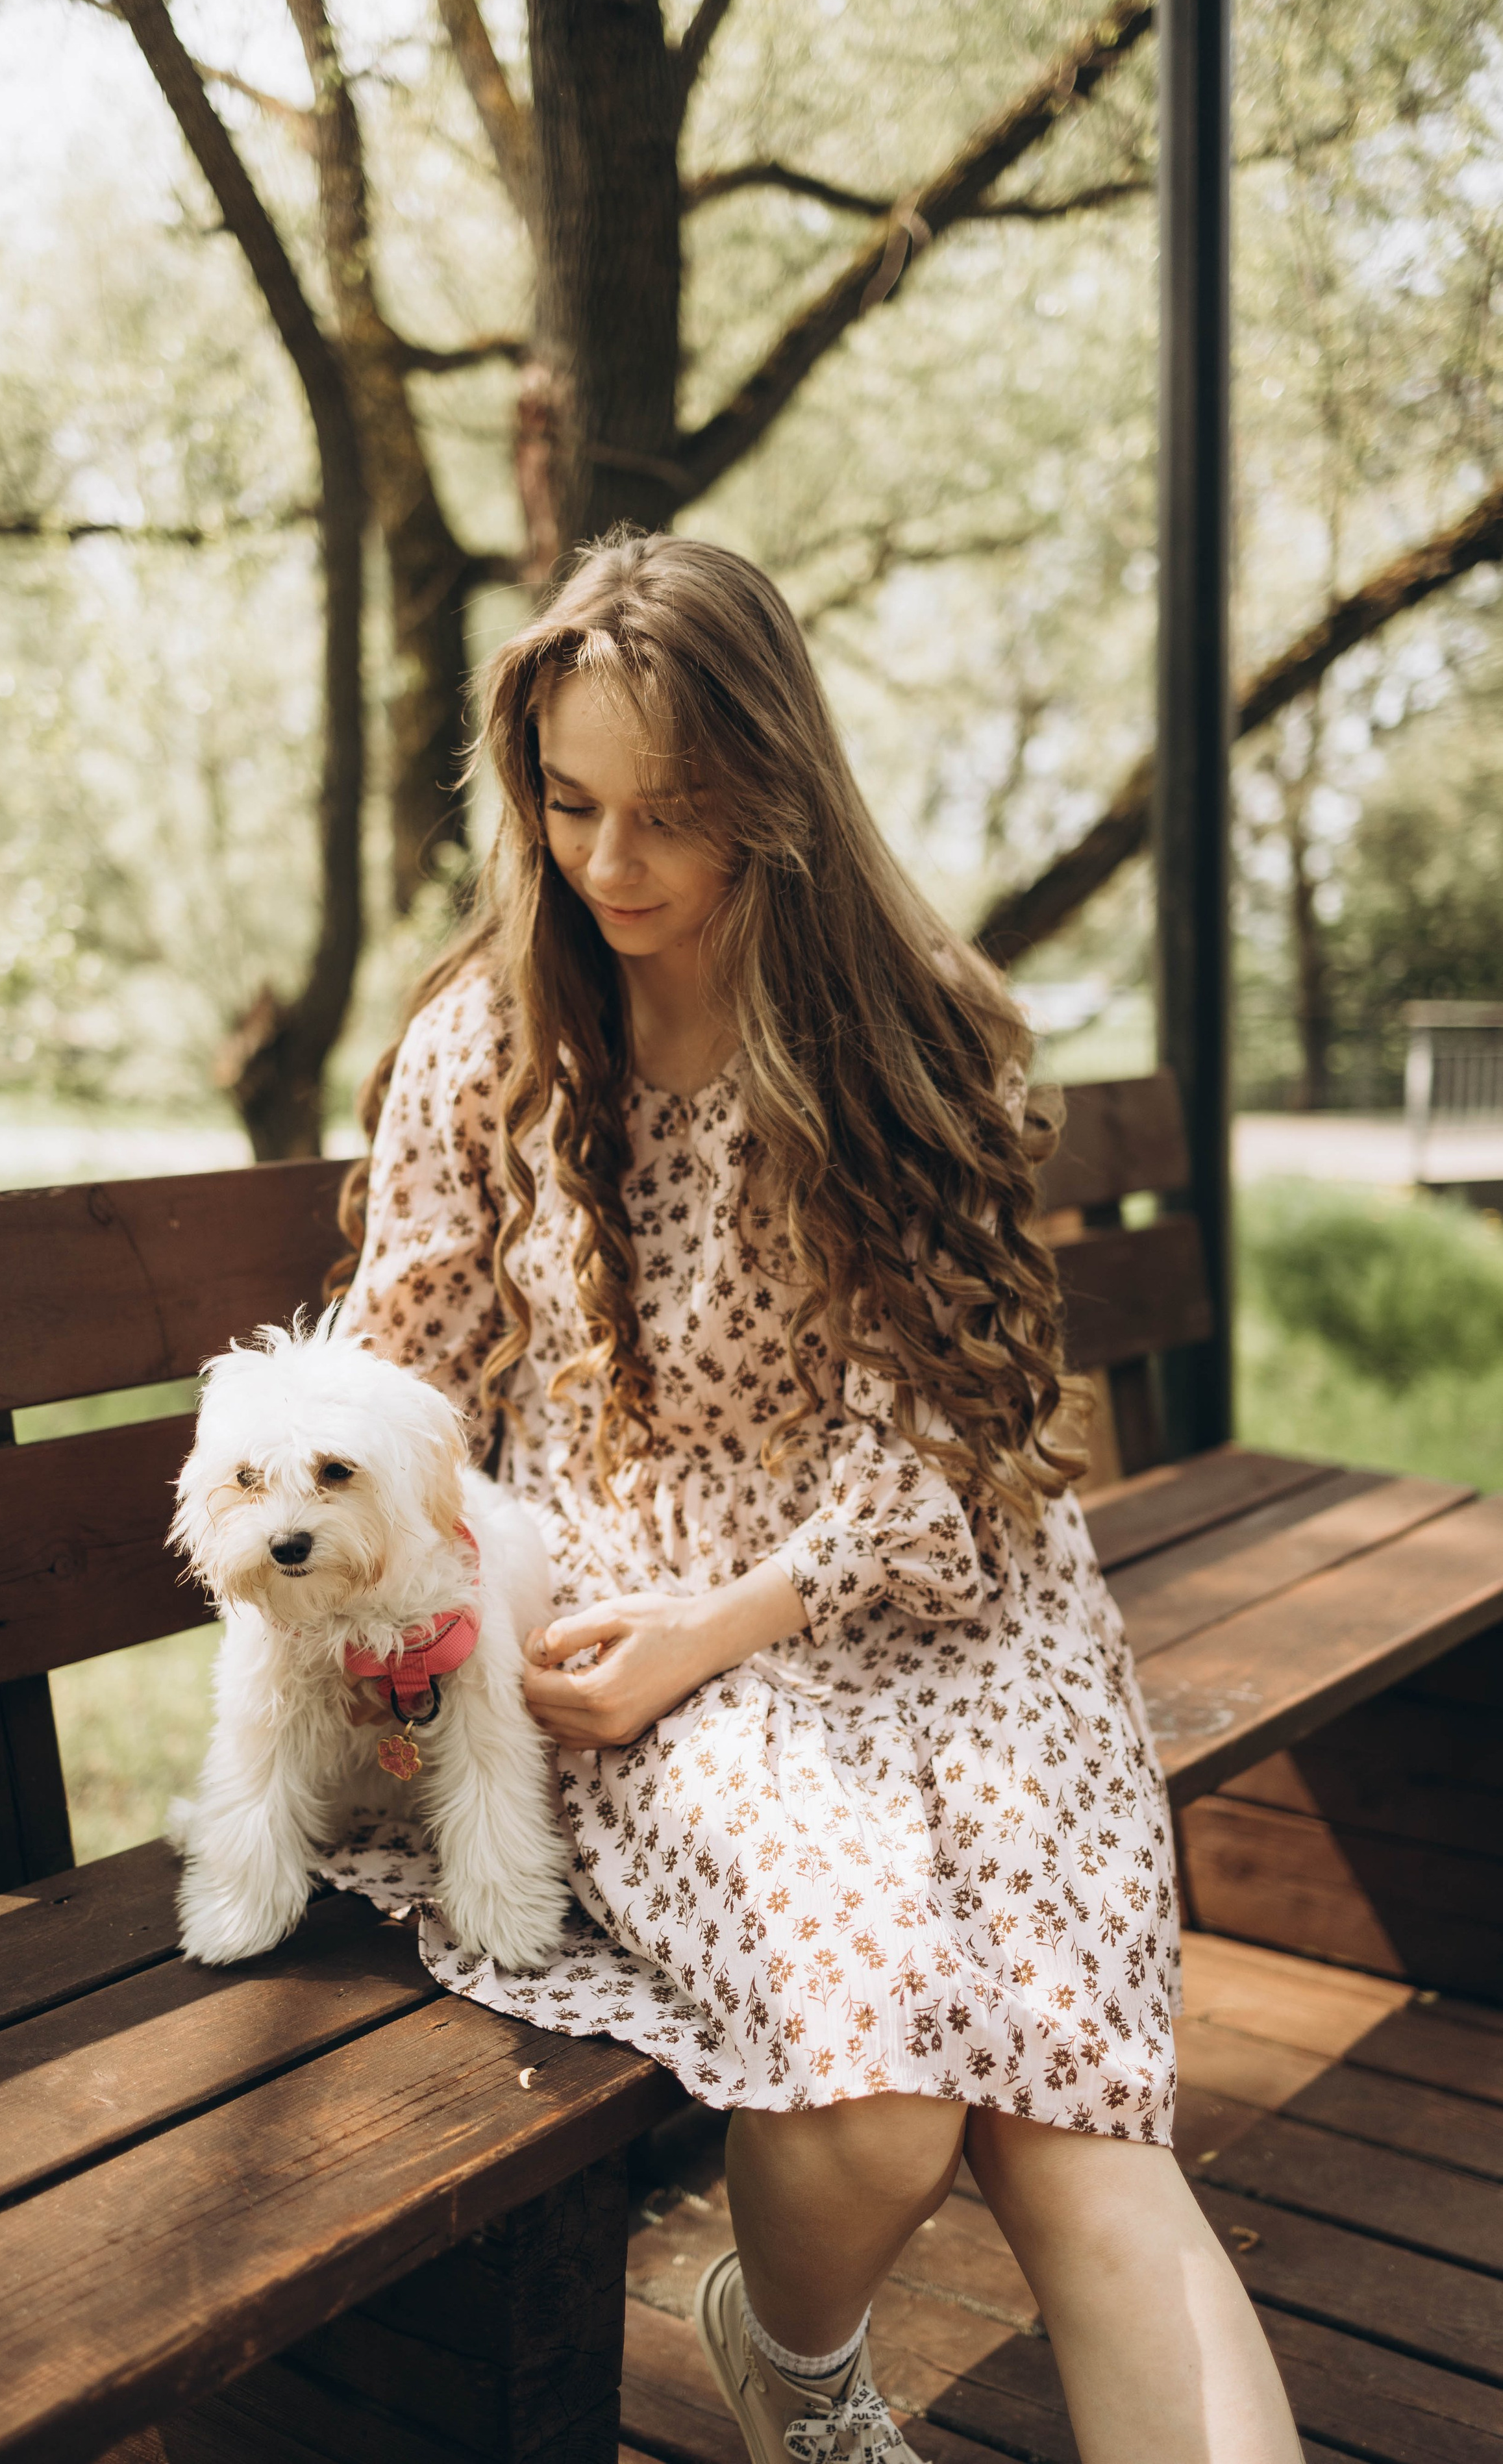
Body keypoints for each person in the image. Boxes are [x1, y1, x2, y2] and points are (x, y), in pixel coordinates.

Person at [329, 535, 1302, 2463]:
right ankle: (799, 2368)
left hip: (945, 1607)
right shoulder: (491, 1043)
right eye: (571, 802)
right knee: (880, 2093)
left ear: (773, 787)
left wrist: (744, 1610)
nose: (610, 866)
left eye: (671, 814)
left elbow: (965, 1438)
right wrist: (384, 1614)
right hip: (649, 1638)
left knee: (1071, 2122)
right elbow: (406, 1374)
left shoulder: (903, 1025)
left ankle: (792, 2370)